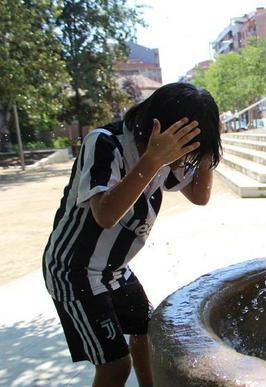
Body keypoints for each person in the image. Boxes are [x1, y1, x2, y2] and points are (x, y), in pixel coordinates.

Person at [42, 82, 222, 387]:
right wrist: (153, 160)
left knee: (148, 335)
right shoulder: (106, 143)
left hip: (115, 270)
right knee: (115, 365)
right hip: (74, 270)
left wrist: (206, 148)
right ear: (157, 129)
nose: (181, 163)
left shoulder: (168, 155)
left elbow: (199, 195)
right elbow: (106, 214)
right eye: (183, 152)